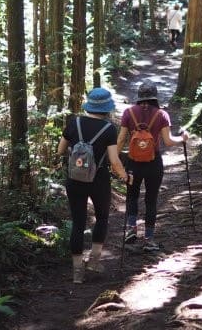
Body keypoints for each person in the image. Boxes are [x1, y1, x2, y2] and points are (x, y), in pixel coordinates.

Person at [57, 87, 128, 283]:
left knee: (78, 223)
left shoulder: (74, 123)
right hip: (99, 180)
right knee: (102, 218)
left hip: (74, 180)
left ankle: (77, 272)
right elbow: (114, 161)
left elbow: (60, 149)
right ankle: (94, 261)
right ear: (107, 108)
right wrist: (124, 176)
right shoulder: (109, 129)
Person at [117, 81, 189, 252]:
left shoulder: (128, 113)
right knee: (151, 200)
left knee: (132, 195)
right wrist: (183, 138)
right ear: (154, 97)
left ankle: (131, 229)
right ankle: (149, 239)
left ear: (139, 96)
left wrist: (115, 160)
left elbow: (120, 139)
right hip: (154, 163)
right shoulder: (162, 114)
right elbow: (168, 141)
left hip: (133, 162)